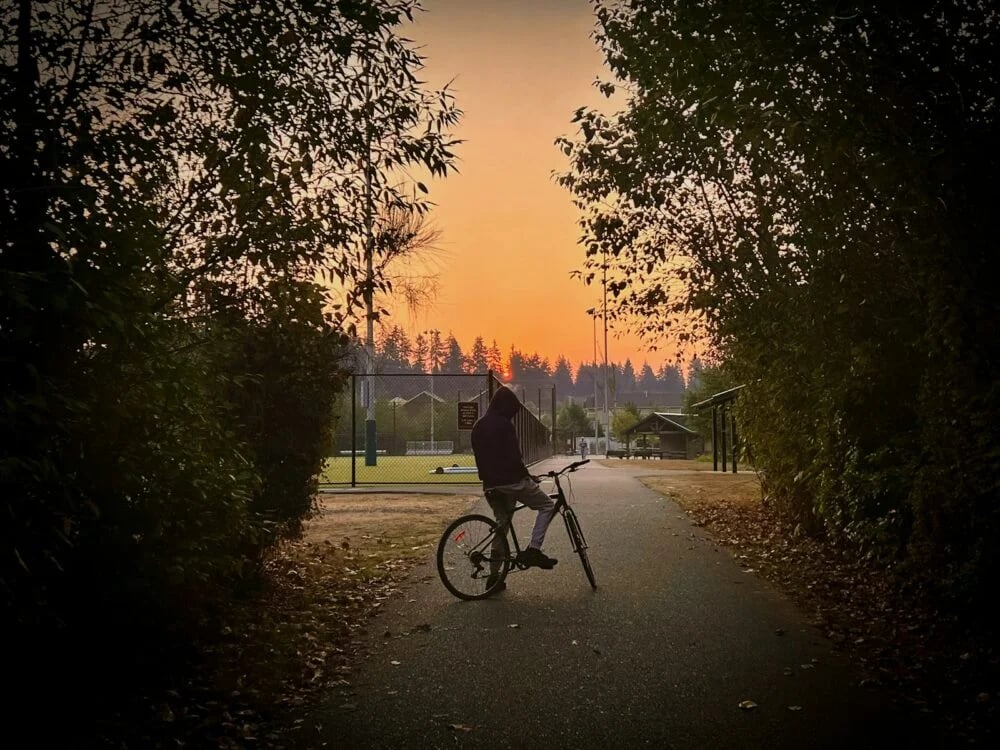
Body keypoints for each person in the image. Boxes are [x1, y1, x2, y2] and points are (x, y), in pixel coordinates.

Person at [471, 386, 558, 587]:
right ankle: (534, 549)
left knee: (502, 524)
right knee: (546, 506)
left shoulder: (478, 426)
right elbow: (514, 458)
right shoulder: (505, 425)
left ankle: (494, 576)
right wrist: (527, 477)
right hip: (512, 481)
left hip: (491, 484)